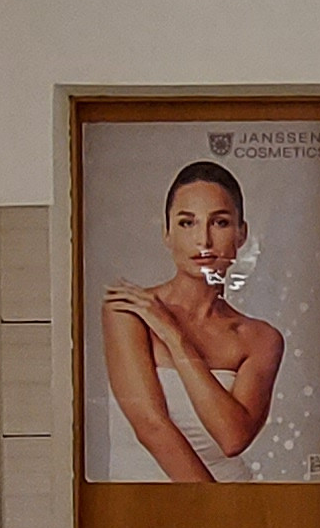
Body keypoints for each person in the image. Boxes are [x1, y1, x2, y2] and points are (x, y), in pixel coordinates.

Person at [102, 160, 285, 483]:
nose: (204, 240)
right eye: (187, 223)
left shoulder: (260, 338)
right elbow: (151, 426)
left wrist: (175, 337)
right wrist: (212, 507)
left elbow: (233, 438)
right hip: (149, 506)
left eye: (220, 223)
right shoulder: (128, 311)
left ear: (241, 234)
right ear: (167, 234)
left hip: (231, 498)